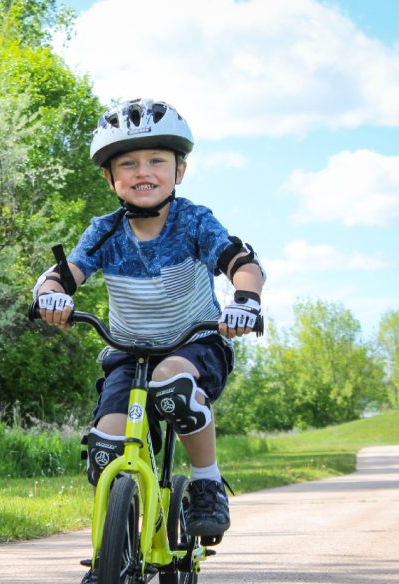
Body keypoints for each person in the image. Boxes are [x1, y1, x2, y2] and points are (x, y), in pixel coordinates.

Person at [32, 99, 265, 581]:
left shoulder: (195, 222)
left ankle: (205, 484)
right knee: (105, 450)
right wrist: (50, 295)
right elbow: (64, 274)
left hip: (197, 344)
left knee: (172, 382)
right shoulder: (104, 232)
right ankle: (110, 555)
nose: (144, 172)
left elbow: (242, 264)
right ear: (110, 177)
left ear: (179, 169)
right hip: (127, 353)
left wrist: (244, 299)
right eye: (128, 163)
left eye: (157, 160)